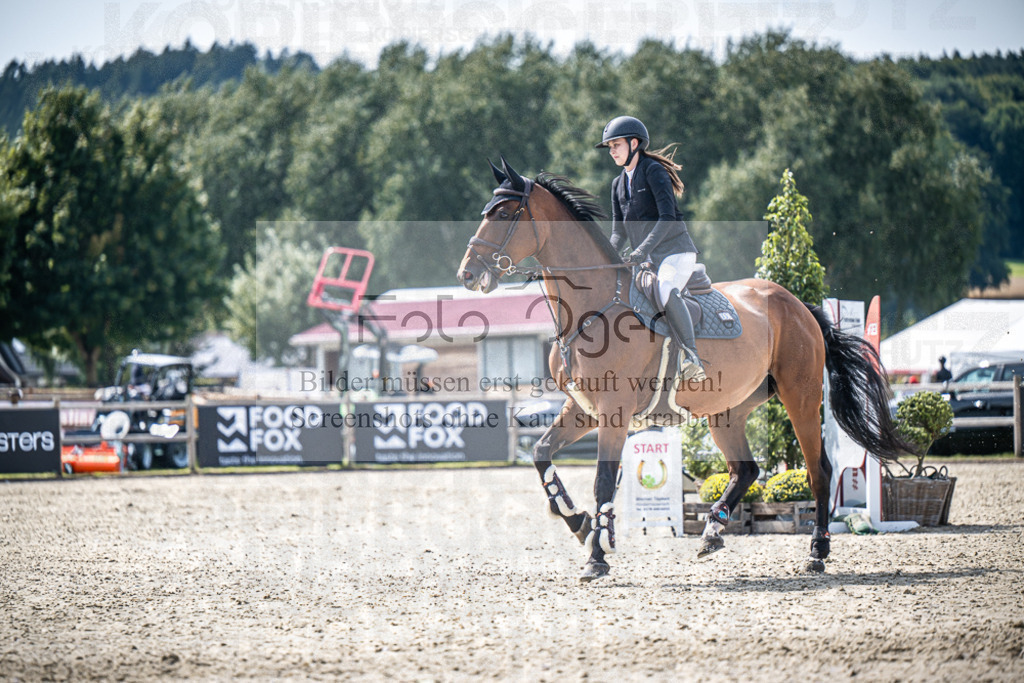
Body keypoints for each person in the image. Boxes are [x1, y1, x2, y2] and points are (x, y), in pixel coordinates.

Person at [596, 115, 705, 381]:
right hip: (647, 260)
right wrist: (605, 260)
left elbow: (667, 217)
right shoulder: (617, 184)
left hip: (676, 253)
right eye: (609, 147)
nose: (611, 151)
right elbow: (618, 233)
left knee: (665, 288)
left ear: (634, 143)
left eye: (616, 145)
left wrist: (642, 250)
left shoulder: (653, 171)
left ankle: (692, 357)